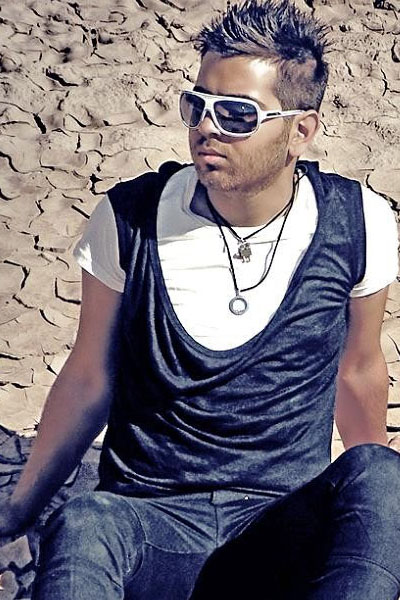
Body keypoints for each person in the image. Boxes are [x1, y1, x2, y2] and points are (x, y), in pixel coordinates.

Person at [1, 0, 400, 598]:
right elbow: (88, 376)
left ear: (301, 130)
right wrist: (19, 509)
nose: (207, 128)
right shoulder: (129, 219)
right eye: (198, 105)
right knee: (84, 520)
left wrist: (367, 521)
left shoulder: (358, 221)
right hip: (150, 521)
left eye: (237, 114)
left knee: (385, 475)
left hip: (279, 527)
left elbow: (360, 369)